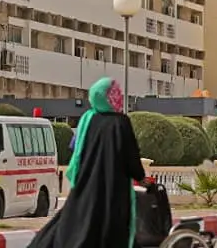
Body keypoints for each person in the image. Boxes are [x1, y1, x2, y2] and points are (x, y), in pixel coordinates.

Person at [27, 77, 145, 248]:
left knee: (77, 225)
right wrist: (141, 177)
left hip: (86, 185)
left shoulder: (87, 120)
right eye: (115, 93)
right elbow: (131, 157)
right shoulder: (121, 122)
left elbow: (76, 150)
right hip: (113, 190)